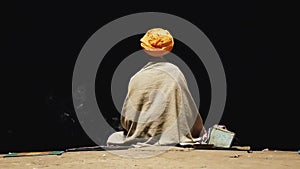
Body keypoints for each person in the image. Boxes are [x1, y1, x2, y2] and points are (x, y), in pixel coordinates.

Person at [107, 28, 206, 146]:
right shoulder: (175, 72)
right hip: (172, 135)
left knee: (114, 138)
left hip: (141, 135)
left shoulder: (136, 78)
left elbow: (127, 119)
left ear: (144, 48)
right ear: (169, 49)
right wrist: (199, 130)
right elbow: (188, 110)